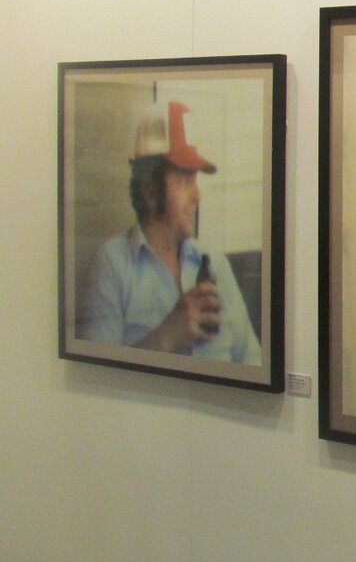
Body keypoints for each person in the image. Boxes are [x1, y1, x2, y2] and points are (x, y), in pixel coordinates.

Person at [81, 100, 262, 365]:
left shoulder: (215, 262)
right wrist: (168, 335)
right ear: (150, 188)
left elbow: (252, 360)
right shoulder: (113, 262)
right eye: (185, 180)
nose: (197, 196)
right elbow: (96, 372)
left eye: (196, 181)